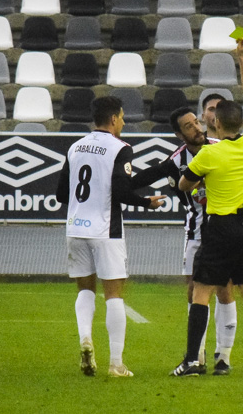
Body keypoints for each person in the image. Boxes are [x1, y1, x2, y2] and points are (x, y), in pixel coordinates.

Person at [171, 38, 243, 377]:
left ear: (215, 125)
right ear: (241, 122)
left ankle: (191, 360)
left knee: (201, 293)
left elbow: (184, 185)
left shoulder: (210, 154)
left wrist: (194, 183)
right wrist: (242, 60)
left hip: (220, 227)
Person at [56, 96, 166, 378]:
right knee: (114, 294)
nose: (124, 122)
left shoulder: (75, 146)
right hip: (106, 229)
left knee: (85, 289)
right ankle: (116, 363)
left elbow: (60, 194)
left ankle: (85, 338)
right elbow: (120, 191)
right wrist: (146, 203)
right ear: (115, 118)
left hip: (75, 228)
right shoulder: (120, 148)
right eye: (123, 116)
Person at [131, 106, 240, 374]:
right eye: (189, 126)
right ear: (179, 134)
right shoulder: (176, 161)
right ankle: (198, 354)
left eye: (197, 122)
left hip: (226, 227)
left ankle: (224, 356)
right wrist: (118, 183)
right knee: (194, 289)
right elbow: (145, 178)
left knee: (225, 288)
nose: (197, 128)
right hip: (197, 231)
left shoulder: (222, 147)